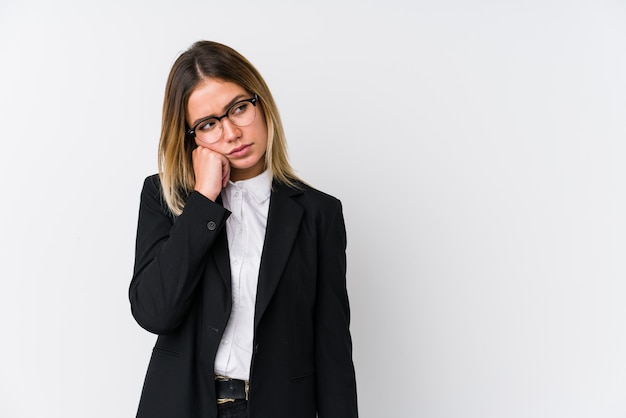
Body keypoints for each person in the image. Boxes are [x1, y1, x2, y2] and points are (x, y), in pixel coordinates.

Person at [129, 40, 358, 418]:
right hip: (181, 405)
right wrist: (203, 199)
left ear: (260, 102)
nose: (231, 133)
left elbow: (332, 348)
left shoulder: (319, 213)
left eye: (238, 108)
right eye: (208, 124)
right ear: (192, 138)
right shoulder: (164, 198)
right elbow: (154, 312)